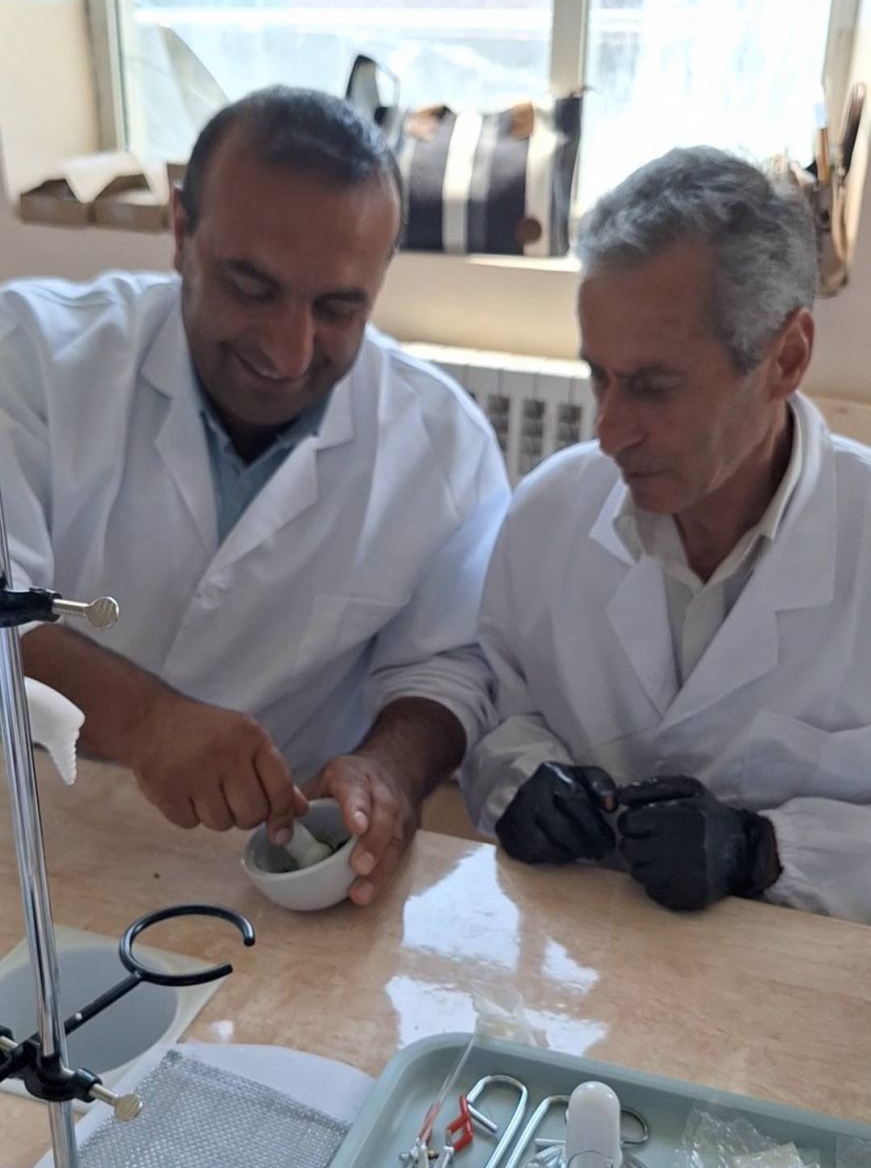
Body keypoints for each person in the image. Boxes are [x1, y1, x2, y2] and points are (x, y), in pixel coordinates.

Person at [0, 87, 510, 905]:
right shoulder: (28, 355)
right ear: (181, 233)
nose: (289, 350)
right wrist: (146, 722)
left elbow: (447, 666)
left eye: (337, 307)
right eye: (252, 287)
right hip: (25, 816)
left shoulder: (442, 443)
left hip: (262, 877)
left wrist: (387, 773)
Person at [462, 145, 871, 923]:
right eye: (598, 377)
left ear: (785, 358)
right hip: (580, 956)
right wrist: (523, 779)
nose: (608, 432)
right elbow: (499, 708)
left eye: (653, 387)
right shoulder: (550, 512)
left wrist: (767, 849)